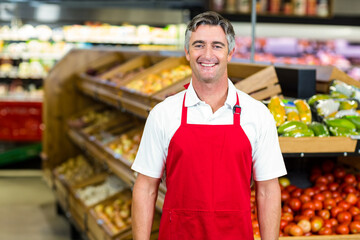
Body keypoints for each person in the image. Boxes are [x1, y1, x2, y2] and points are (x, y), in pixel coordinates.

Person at [131, 11, 287, 240]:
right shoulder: (163, 114)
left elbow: (268, 191)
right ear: (187, 52)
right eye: (198, 45)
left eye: (217, 46)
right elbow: (145, 188)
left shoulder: (257, 115)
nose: (207, 54)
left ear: (230, 52)